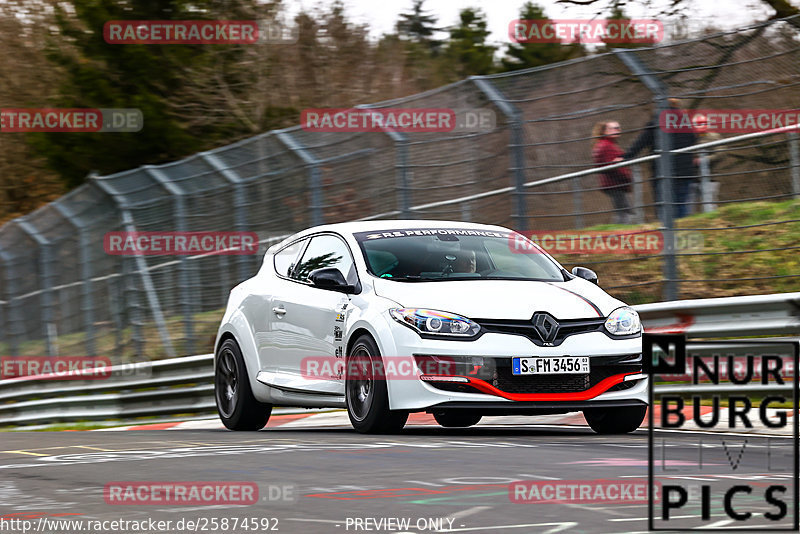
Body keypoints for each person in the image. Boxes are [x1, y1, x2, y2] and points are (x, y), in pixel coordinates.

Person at [624, 98, 698, 220]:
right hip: (685, 171)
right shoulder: (687, 123)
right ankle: (683, 231)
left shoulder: (657, 122)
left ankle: (668, 235)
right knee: (681, 204)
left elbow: (641, 142)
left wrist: (625, 157)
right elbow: (693, 141)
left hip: (663, 171)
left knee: (664, 205)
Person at [592, 121, 632, 224]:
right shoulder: (606, 146)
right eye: (613, 128)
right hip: (615, 183)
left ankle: (621, 232)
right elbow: (610, 166)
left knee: (623, 211)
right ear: (605, 131)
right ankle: (620, 234)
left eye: (618, 128)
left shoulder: (607, 144)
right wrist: (626, 176)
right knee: (624, 212)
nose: (617, 130)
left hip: (615, 183)